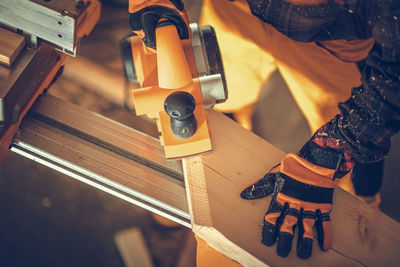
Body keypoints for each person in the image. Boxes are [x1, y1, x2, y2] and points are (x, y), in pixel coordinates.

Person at [129, 0, 400, 262]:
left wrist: (339, 146)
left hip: (335, 46)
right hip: (239, 10)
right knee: (214, 102)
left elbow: (394, 75)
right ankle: (206, 189)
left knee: (347, 171)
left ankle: (356, 229)